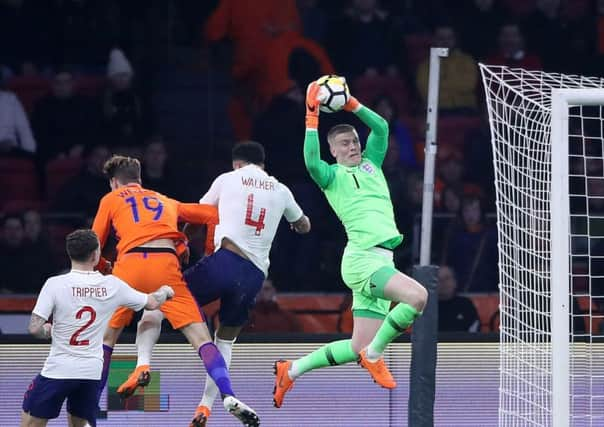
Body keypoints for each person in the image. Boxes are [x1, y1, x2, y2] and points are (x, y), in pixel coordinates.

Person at [127, 141, 310, 426]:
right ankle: (208, 406)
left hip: (224, 262)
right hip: (254, 277)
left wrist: (183, 242)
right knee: (224, 340)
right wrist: (294, 223)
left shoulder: (228, 179)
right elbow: (304, 224)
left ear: (237, 163)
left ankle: (142, 364)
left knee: (157, 303)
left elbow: (197, 214)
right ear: (263, 164)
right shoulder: (281, 189)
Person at [272, 80, 428, 408]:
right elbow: (310, 160)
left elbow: (382, 126)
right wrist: (311, 115)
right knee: (418, 296)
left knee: (356, 345)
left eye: (355, 140)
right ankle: (374, 356)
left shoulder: (372, 164)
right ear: (333, 150)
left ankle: (291, 369)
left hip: (382, 261)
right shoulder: (331, 176)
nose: (352, 146)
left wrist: (352, 103)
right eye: (344, 143)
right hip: (362, 260)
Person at [92, 155, 259, 426]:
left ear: (114, 182)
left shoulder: (111, 199)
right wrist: (205, 250)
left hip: (129, 266)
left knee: (107, 339)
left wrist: (105, 268)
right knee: (202, 339)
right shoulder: (165, 200)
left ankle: (89, 412)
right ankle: (228, 394)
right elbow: (211, 215)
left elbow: (94, 243)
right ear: (140, 180)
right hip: (165, 266)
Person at [20, 229, 175, 427]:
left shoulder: (55, 284)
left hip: (58, 370)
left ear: (70, 254)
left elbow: (34, 328)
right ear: (95, 255)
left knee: (30, 424)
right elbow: (152, 303)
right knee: (80, 423)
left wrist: (47, 331)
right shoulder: (112, 285)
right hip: (91, 372)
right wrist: (165, 291)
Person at [437, 265, 480, 332]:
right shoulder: (427, 306)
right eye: (439, 279)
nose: (443, 282)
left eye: (447, 278)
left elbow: (474, 331)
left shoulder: (465, 304)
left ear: (455, 282)